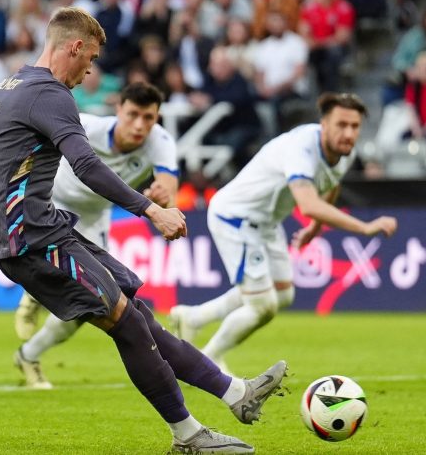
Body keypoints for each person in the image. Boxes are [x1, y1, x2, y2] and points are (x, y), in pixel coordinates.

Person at [0, 7, 286, 454]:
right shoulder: (52, 95)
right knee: (127, 325)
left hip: (48, 232)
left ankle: (237, 393)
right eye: (91, 57)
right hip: (32, 240)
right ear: (74, 47)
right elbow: (87, 165)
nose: (90, 69)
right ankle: (188, 436)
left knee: (140, 318)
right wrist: (150, 211)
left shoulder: (2, 90)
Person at [170, 93, 397, 373]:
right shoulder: (301, 148)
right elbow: (309, 204)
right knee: (263, 305)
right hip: (236, 218)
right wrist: (365, 227)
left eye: (354, 126)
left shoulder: (343, 153)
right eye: (341, 125)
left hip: (266, 223)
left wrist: (314, 228)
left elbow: (331, 184)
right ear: (324, 123)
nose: (348, 133)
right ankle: (208, 360)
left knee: (283, 294)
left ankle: (193, 317)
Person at [13, 82, 179, 389]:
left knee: (91, 304)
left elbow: (169, 184)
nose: (140, 125)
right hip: (52, 204)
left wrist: (163, 194)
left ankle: (28, 355)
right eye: (133, 115)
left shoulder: (161, 141)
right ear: (118, 110)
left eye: (148, 117)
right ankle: (33, 295)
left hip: (93, 218)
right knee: (61, 277)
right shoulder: (87, 125)